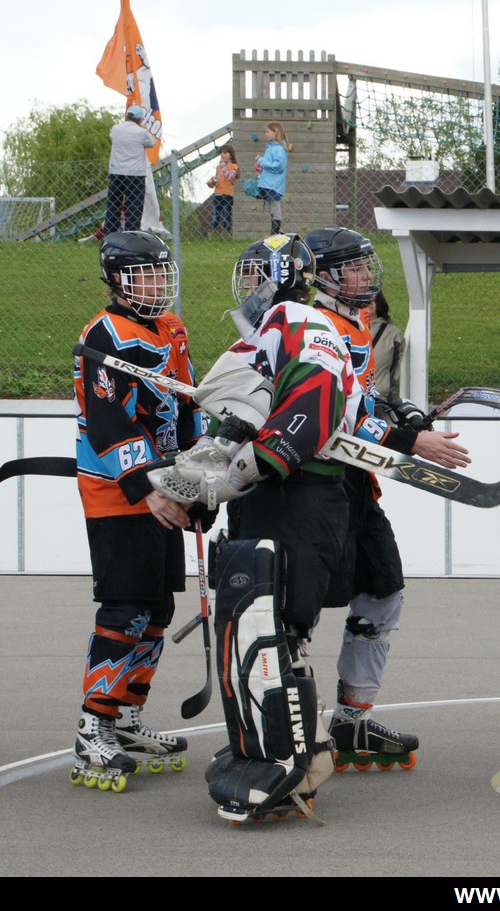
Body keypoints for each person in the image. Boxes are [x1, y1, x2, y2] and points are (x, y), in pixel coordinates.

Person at [145, 234, 356, 821]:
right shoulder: (261, 335)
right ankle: (273, 744)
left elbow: (315, 401)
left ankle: (295, 760)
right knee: (254, 620)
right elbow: (240, 416)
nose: (246, 287)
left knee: (278, 625)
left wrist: (248, 465)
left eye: (254, 274)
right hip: (272, 492)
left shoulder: (300, 319)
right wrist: (208, 474)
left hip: (301, 490)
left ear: (281, 276)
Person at [305, 226, 470, 773]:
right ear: (324, 276)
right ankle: (284, 723)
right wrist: (411, 440)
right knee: (297, 609)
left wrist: (401, 412)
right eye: (353, 267)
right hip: (313, 489)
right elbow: (333, 415)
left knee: (383, 590)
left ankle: (352, 720)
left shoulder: (355, 323)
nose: (365, 276)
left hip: (356, 486)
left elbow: (361, 401)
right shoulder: (314, 326)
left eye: (363, 265)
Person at [71, 231, 201, 791]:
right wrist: (145, 486)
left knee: (156, 608)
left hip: (167, 486)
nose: (155, 283)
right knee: (125, 606)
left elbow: (188, 403)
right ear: (117, 281)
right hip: (119, 493)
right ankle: (92, 728)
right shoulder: (103, 334)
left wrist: (197, 482)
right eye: (144, 273)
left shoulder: (172, 328)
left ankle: (125, 716)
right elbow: (107, 419)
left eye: (160, 272)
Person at [103, 105, 156, 234]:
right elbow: (152, 143)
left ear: (126, 116)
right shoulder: (141, 133)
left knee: (114, 203)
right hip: (135, 173)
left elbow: (113, 138)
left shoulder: (115, 129)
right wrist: (144, 128)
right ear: (140, 119)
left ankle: (110, 233)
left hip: (116, 171)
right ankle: (131, 233)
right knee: (134, 204)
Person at [254, 122, 291, 235]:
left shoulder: (279, 149)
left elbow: (278, 166)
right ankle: (276, 230)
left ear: (276, 132)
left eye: (268, 132)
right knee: (271, 208)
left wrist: (261, 161)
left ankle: (275, 231)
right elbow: (269, 164)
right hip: (267, 182)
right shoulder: (270, 147)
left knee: (275, 207)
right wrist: (261, 167)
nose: (265, 134)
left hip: (274, 184)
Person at [368, 289, 405, 401]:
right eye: (364, 299)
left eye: (373, 300)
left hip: (379, 398)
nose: (369, 303)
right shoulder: (346, 328)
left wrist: (386, 387)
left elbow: (396, 366)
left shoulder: (393, 334)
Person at [206, 144, 240, 236]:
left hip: (227, 194)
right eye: (221, 153)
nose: (222, 155)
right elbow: (218, 178)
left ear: (231, 155)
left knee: (226, 216)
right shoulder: (218, 167)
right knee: (215, 215)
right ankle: (212, 233)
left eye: (225, 153)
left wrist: (223, 166)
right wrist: (212, 182)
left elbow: (229, 177)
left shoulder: (233, 166)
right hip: (217, 193)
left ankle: (227, 234)